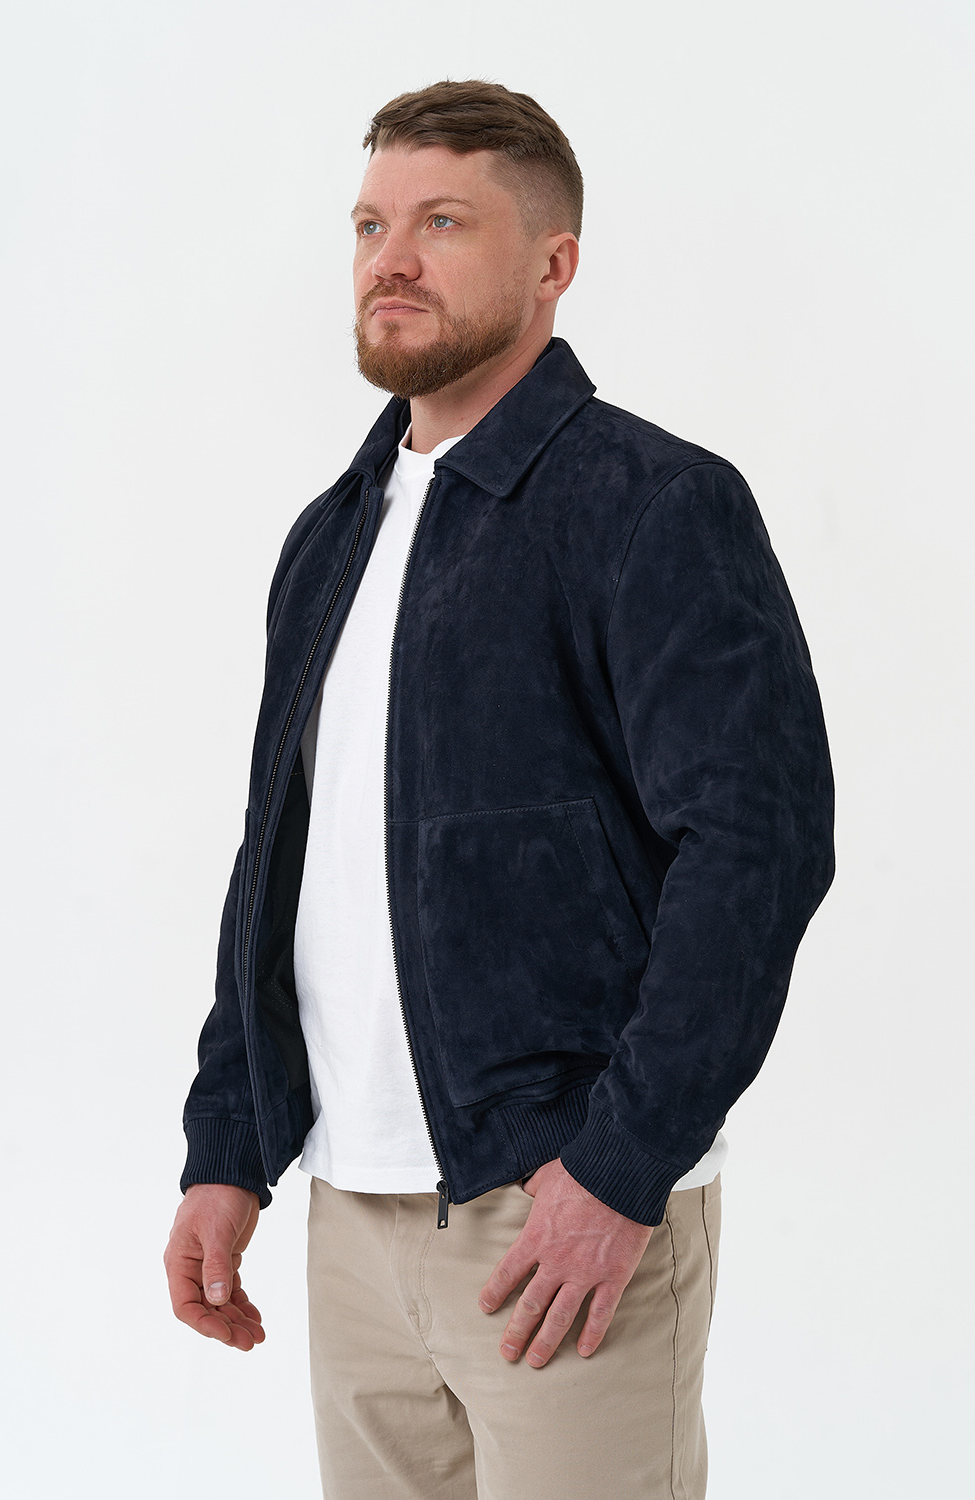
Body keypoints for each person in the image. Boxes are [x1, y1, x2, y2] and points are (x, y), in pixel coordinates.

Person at [163, 80, 835, 1499]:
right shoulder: (330, 537)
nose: (390, 259)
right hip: (351, 1209)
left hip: (556, 1212)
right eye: (370, 225)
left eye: (444, 223)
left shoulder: (652, 503)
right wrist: (227, 1144)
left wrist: (621, 1167)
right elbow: (278, 863)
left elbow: (757, 846)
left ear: (553, 263)